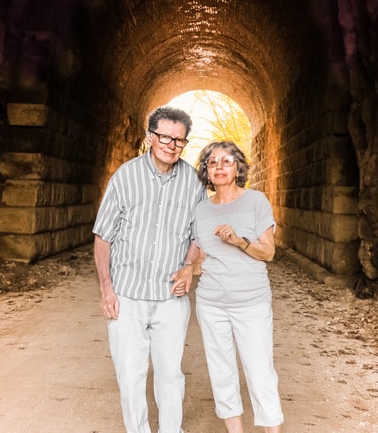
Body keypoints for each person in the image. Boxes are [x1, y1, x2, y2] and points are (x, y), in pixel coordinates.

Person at [93, 106, 206, 433]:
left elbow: (197, 235)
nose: (171, 145)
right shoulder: (125, 177)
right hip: (127, 296)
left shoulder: (194, 184)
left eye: (179, 140)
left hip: (171, 297)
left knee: (171, 374)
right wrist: (106, 289)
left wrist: (188, 267)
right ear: (149, 138)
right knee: (131, 374)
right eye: (164, 137)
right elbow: (103, 237)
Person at [172, 141, 284, 433]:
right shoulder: (201, 209)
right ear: (206, 172)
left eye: (226, 161)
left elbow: (268, 253)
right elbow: (197, 246)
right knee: (222, 372)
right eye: (212, 162)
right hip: (212, 304)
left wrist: (239, 241)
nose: (219, 167)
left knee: (260, 371)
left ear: (238, 168)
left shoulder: (256, 201)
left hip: (252, 302)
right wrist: (187, 267)